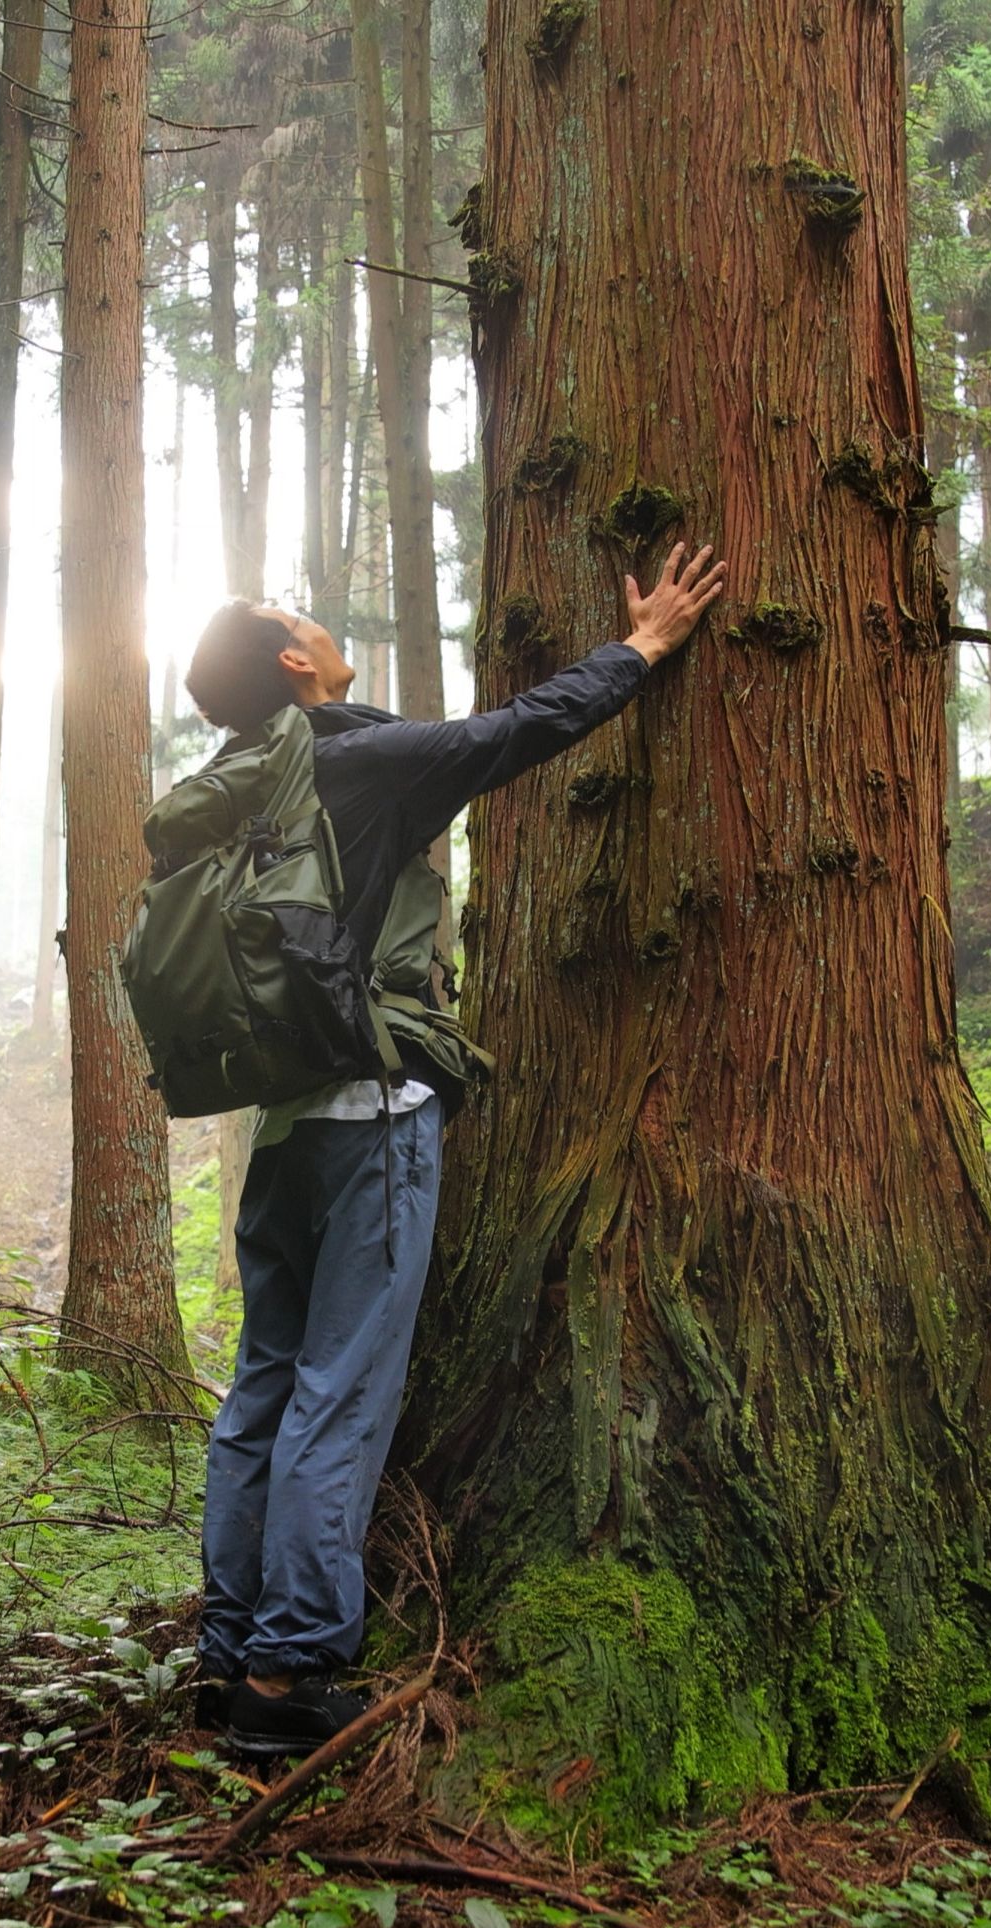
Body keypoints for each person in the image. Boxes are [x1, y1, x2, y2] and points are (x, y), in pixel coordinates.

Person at [185, 542, 731, 1753]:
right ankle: (285, 1682)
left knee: (263, 1391)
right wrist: (641, 648)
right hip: (375, 1124)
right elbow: (514, 734)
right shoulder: (355, 764)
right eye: (303, 619)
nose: (323, 626)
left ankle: (225, 1653)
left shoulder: (237, 787)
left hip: (282, 1136)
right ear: (295, 662)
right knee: (340, 1392)